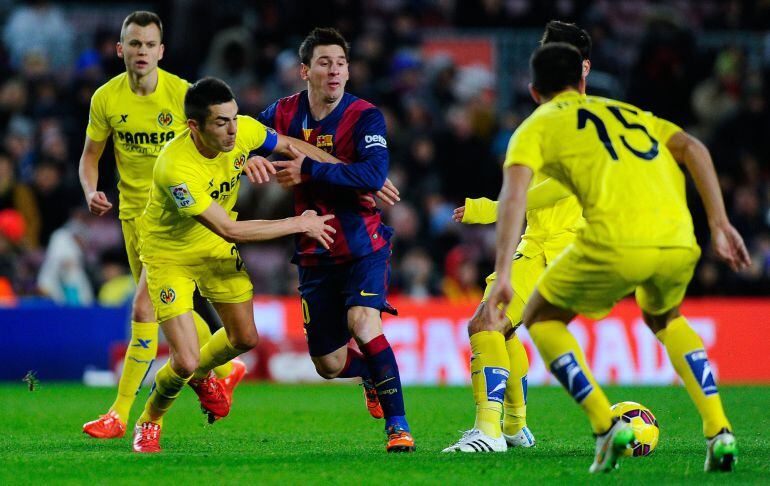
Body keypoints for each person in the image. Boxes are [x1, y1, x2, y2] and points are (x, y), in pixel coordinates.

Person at [485, 43, 750, 473]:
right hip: (678, 237)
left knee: (541, 318)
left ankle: (605, 424)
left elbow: (514, 197)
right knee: (668, 319)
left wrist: (501, 273)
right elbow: (694, 148)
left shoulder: (535, 127)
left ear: (534, 92)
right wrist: (719, 223)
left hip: (614, 238)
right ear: (582, 82)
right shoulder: (629, 113)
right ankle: (719, 430)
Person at [131, 77, 337, 453]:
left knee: (245, 338)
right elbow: (229, 228)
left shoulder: (243, 131)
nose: (232, 129)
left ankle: (204, 374)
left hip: (214, 250)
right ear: (195, 126)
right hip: (169, 255)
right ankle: (150, 420)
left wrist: (348, 173)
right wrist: (300, 223)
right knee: (185, 359)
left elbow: (291, 145)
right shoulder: (174, 169)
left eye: (233, 118)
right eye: (220, 122)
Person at [78, 11, 244, 439]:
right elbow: (90, 156)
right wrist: (90, 189)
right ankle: (223, 369)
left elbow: (219, 144)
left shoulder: (183, 95)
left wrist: (241, 165)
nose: (142, 52)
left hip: (176, 219)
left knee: (145, 308)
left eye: (150, 45)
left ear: (161, 51)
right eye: (134, 44)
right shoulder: (106, 99)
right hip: (133, 217)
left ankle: (122, 413)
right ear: (121, 49)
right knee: (175, 310)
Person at [253, 27, 414, 452]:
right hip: (313, 249)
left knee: (363, 322)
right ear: (305, 70)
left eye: (341, 63)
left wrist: (307, 168)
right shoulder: (281, 113)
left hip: (363, 242)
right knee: (327, 363)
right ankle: (368, 374)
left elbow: (372, 176)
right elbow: (243, 140)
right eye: (325, 63)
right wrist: (251, 157)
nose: (335, 70)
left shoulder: (365, 117)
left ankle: (398, 428)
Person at [444, 21, 589, 453]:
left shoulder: (581, 121)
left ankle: (488, 433)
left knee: (486, 322)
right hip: (538, 246)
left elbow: (565, 185)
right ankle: (513, 427)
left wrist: (493, 208)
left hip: (559, 251)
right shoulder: (549, 118)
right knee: (502, 331)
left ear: (583, 67)